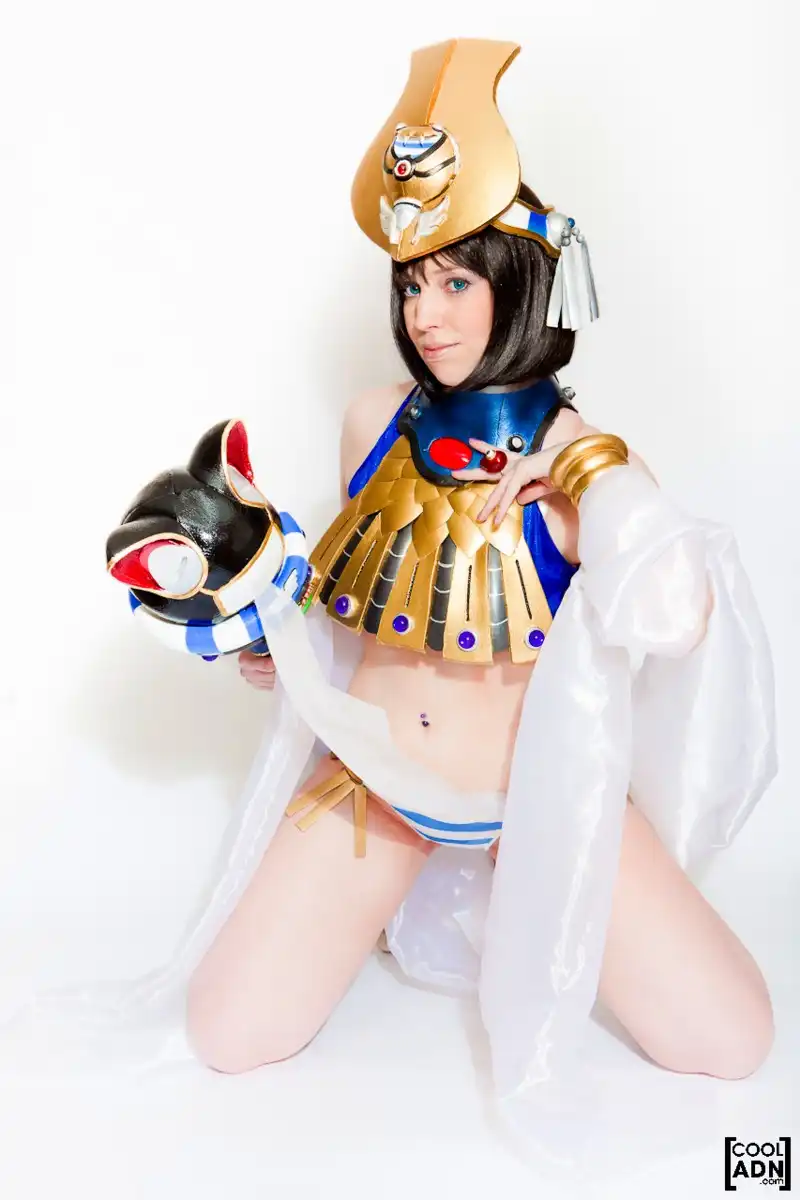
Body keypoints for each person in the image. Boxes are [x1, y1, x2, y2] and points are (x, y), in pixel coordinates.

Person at [0, 36, 777, 1173]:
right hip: (377, 784)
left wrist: (587, 477)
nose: (426, 312)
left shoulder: (583, 457)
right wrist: (277, 645)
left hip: (543, 801)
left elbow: (679, 618)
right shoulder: (374, 423)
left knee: (731, 1041)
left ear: (520, 283)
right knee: (229, 1033)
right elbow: (364, 607)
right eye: (413, 283)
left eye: (456, 281)